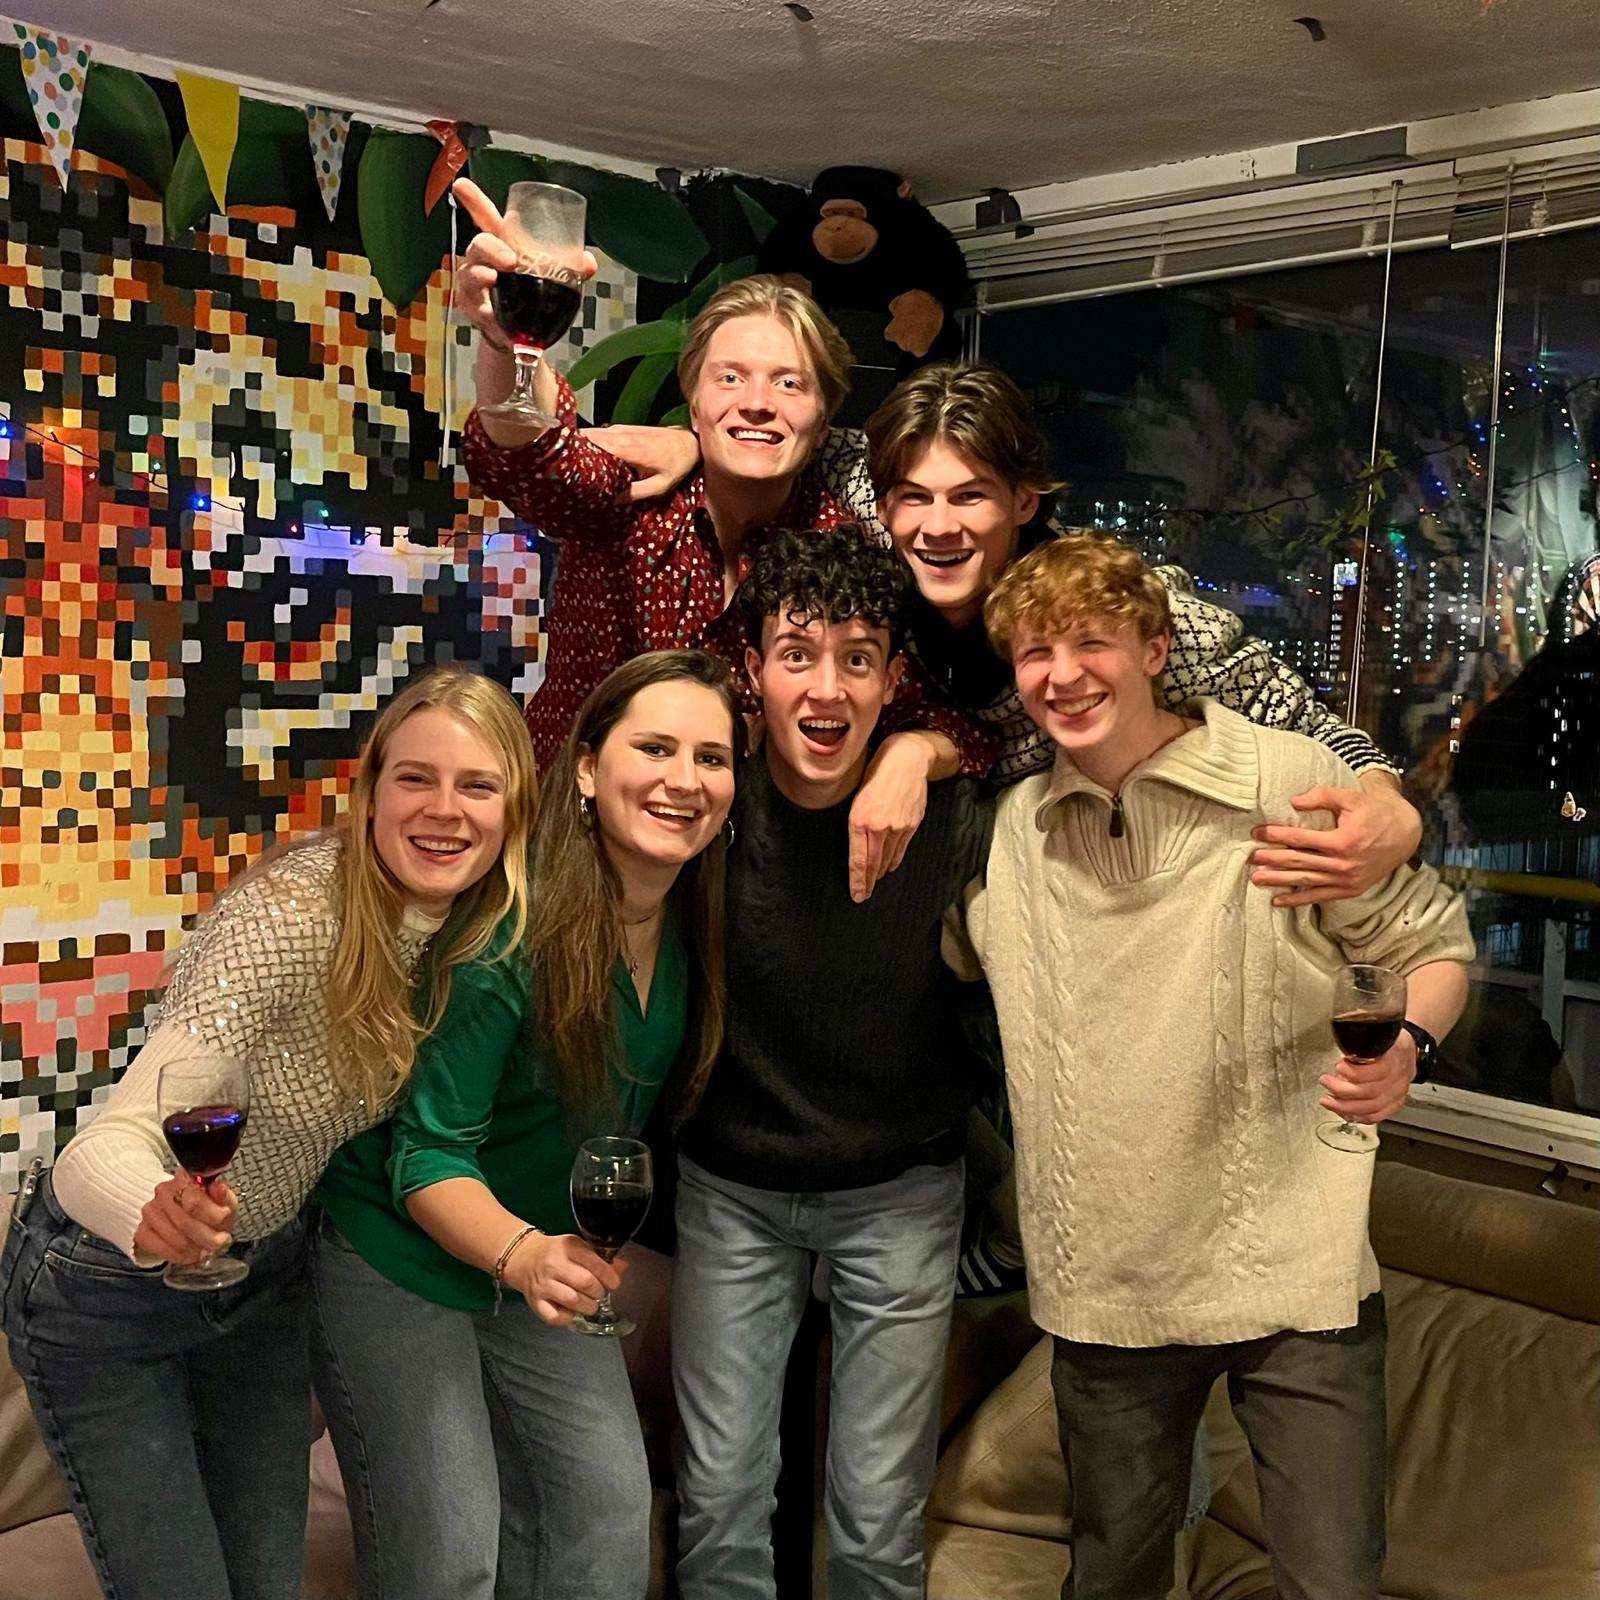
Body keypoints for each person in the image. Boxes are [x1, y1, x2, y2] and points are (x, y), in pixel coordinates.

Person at [954, 533, 1473, 1600]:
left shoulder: (1284, 783)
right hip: (1107, 1286)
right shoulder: (1012, 833)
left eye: (1092, 642)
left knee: (1332, 1583)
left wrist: (1408, 1047)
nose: (1063, 674)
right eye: (1036, 652)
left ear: (1155, 651)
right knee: (1114, 1578)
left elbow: (1431, 946)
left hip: (1298, 1267)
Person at [0, 666, 534, 1600]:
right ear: (372, 790)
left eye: (477, 785)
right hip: (108, 1287)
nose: (444, 809)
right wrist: (154, 1207)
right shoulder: (295, 915)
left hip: (264, 1279)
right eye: (416, 778)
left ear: (514, 810)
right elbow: (101, 1150)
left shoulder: (475, 934)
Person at [311, 649, 740, 1600]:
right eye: (655, 748)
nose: (683, 779)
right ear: (585, 768)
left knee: (609, 1518)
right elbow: (426, 1157)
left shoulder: (690, 915)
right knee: (450, 1559)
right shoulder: (512, 930)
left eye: (711, 758)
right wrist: (525, 1256)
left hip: (542, 1257)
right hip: (404, 1251)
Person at [452, 178, 992, 900]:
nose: (757, 403)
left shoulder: (841, 546)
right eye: (730, 377)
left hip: (719, 888)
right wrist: (503, 340)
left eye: (790, 384)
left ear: (823, 421)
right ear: (696, 402)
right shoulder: (631, 495)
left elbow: (940, 716)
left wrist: (913, 754)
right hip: (558, 855)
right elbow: (531, 454)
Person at [670, 529, 991, 1600]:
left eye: (858, 659)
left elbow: (1028, 748)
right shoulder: (704, 816)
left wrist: (924, 755)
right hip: (732, 1189)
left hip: (901, 1190)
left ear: (893, 682)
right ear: (752, 672)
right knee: (718, 1501)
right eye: (797, 653)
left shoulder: (950, 823)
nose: (826, 686)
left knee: (875, 1521)